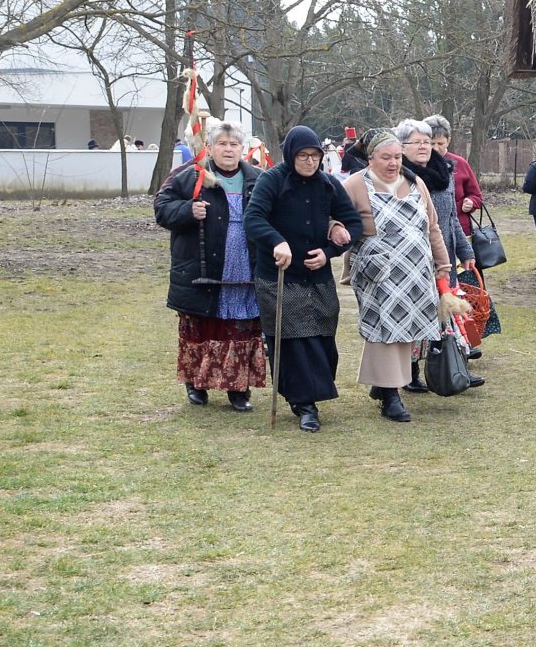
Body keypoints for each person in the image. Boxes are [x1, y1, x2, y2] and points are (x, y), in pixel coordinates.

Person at [245, 126, 363, 432]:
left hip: (317, 274)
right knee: (294, 338)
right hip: (280, 274)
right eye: (303, 155)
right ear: (291, 154)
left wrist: (330, 250)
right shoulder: (272, 180)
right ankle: (303, 403)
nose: (310, 162)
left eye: (315, 156)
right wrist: (275, 241)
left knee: (323, 333)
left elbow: (352, 222)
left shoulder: (326, 184)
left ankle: (313, 394)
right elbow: (254, 218)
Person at [342, 129, 463, 422]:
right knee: (384, 331)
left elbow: (432, 227)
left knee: (405, 330)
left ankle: (383, 385)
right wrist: (336, 230)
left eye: (397, 156)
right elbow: (337, 221)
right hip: (377, 271)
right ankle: (390, 396)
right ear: (370, 158)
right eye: (386, 157)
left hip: (415, 270)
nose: (393, 163)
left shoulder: (415, 182)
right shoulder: (354, 185)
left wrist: (443, 266)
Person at [153, 119, 268, 412]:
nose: (228, 150)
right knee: (202, 326)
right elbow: (161, 208)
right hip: (203, 270)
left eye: (234, 144)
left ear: (243, 148)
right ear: (211, 147)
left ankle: (238, 388)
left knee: (240, 327)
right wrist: (187, 210)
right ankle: (197, 383)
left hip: (244, 270)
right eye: (222, 144)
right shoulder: (190, 176)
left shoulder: (258, 178)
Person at [398, 119, 482, 380]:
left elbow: (451, 218)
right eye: (417, 142)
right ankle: (410, 374)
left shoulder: (443, 170)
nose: (424, 147)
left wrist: (465, 251)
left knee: (445, 309)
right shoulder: (401, 176)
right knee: (418, 311)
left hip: (444, 253)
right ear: (402, 147)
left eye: (427, 141)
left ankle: (450, 368)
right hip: (416, 256)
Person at [424, 115, 485, 239]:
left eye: (440, 143)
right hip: (427, 230)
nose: (436, 148)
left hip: (459, 230)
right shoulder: (419, 164)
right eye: (431, 143)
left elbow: (476, 196)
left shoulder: (460, 163)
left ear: (448, 140)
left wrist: (470, 202)